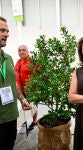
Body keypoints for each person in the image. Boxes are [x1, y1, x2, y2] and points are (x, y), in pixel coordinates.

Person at [0, 16, 32, 150]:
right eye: (2, 30)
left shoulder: (9, 58)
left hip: (11, 115)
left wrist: (22, 99)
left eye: (7, 31)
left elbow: (13, 83)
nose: (7, 34)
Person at [14, 45, 38, 132]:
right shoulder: (18, 61)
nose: (21, 52)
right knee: (23, 104)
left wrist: (35, 86)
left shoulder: (32, 61)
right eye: (20, 50)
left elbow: (39, 73)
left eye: (24, 50)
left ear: (28, 51)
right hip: (20, 90)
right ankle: (25, 119)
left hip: (30, 88)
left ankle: (35, 122)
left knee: (32, 106)